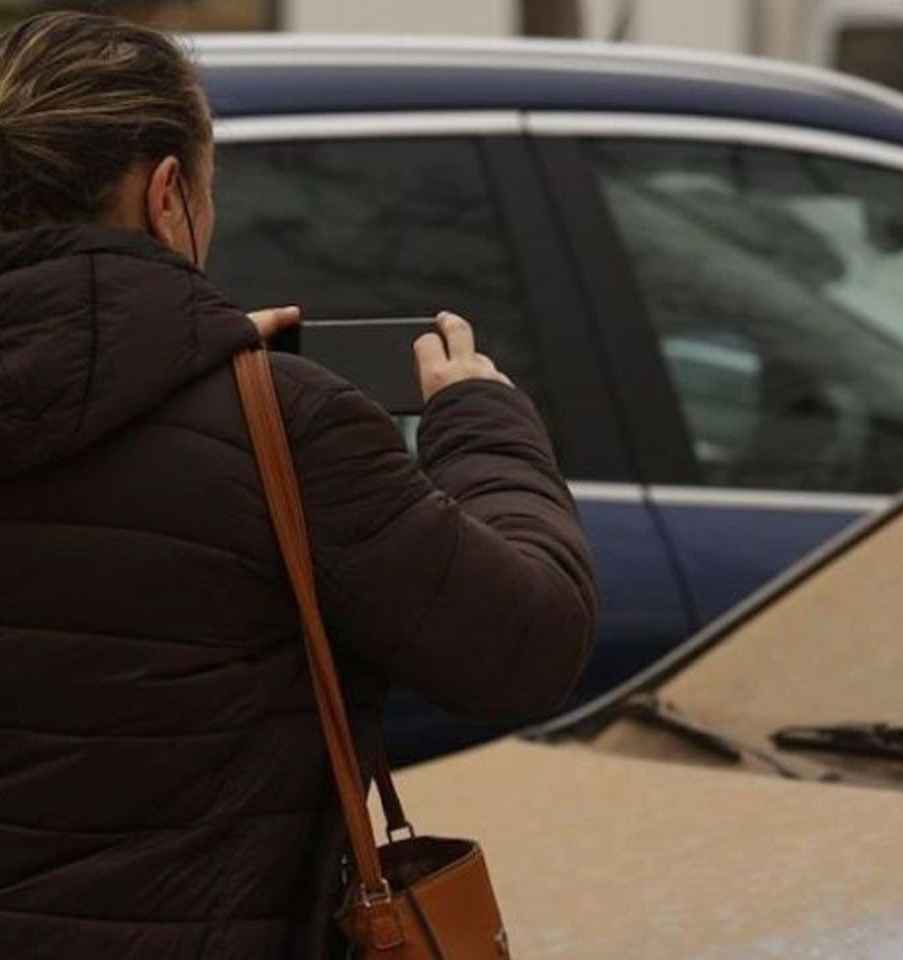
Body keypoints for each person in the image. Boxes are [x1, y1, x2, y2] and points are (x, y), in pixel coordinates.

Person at [0, 12, 598, 958]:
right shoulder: (281, 427)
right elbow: (529, 645)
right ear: (167, 197)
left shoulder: (250, 415)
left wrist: (183, 360)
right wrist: (481, 420)